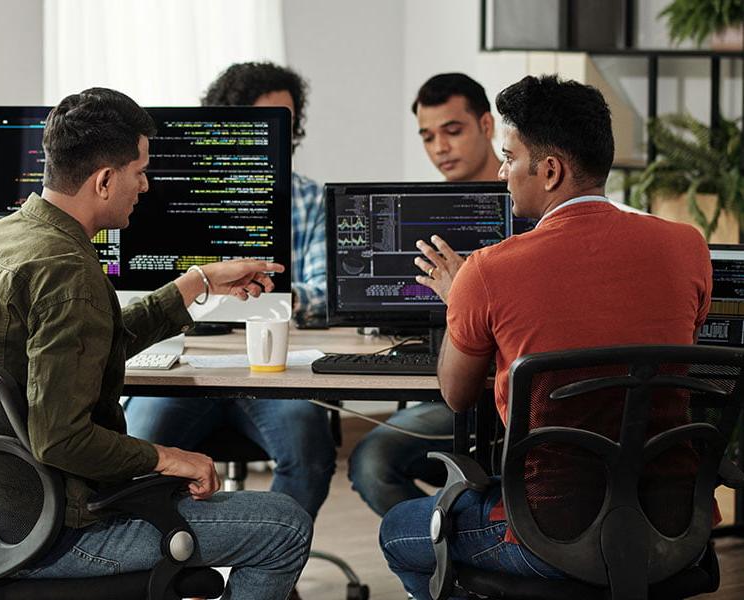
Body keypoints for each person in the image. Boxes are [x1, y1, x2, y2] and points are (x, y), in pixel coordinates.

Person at [0, 87, 312, 600]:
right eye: (139, 171)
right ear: (105, 180)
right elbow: (62, 440)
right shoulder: (68, 272)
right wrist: (169, 458)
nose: (145, 184)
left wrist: (195, 283)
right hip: (60, 534)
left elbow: (91, 341)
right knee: (285, 526)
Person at [378, 74, 711, 599]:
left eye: (509, 158)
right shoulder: (688, 245)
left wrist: (458, 299)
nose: (503, 173)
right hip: (671, 525)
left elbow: (455, 394)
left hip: (547, 533)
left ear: (550, 170)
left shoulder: (487, 270)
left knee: (399, 530)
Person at [123, 63, 336, 527]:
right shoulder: (164, 195)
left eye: (288, 121)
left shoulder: (306, 199)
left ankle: (268, 565)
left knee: (310, 450)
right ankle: (179, 566)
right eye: (266, 121)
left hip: (271, 366)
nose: (280, 132)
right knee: (136, 445)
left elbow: (324, 292)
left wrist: (277, 298)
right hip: (182, 365)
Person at [347, 73, 501, 517]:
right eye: (427, 136)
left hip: (516, 393)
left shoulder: (525, 207)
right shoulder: (422, 214)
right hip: (443, 388)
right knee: (371, 462)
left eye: (452, 131)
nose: (439, 148)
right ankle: (445, 552)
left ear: (486, 125)